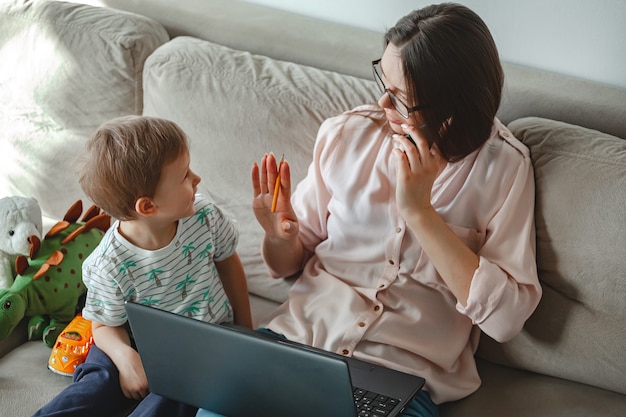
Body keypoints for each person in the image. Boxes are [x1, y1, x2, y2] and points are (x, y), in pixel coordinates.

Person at [246, 3, 542, 417]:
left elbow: (506, 319)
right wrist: (280, 236)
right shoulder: (347, 135)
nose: (381, 101)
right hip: (296, 344)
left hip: (399, 381)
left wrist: (419, 212)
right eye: (382, 79)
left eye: (400, 99)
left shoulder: (504, 169)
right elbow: (285, 266)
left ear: (449, 115)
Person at [33, 115, 252, 417]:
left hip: (199, 345)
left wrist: (245, 329)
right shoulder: (108, 262)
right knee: (95, 386)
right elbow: (104, 324)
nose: (197, 179)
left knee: (172, 396)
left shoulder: (204, 217)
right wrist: (126, 359)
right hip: (130, 338)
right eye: (185, 175)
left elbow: (228, 262)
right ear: (148, 207)